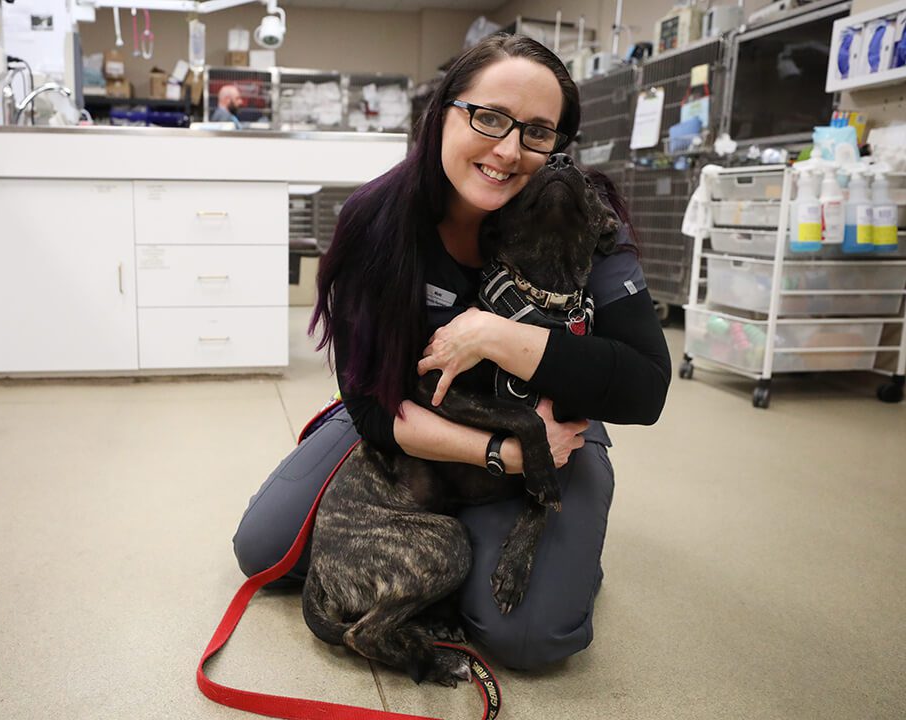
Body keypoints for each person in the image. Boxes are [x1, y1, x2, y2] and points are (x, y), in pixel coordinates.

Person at [233, 34, 670, 671]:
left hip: (547, 422)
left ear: (558, 145)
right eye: (489, 116)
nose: (509, 149)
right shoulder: (380, 219)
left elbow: (644, 388)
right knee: (264, 548)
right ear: (442, 111)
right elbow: (375, 410)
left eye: (538, 132)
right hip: (402, 411)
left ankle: (483, 562)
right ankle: (449, 555)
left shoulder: (579, 211)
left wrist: (493, 335)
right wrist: (500, 454)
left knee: (530, 639)